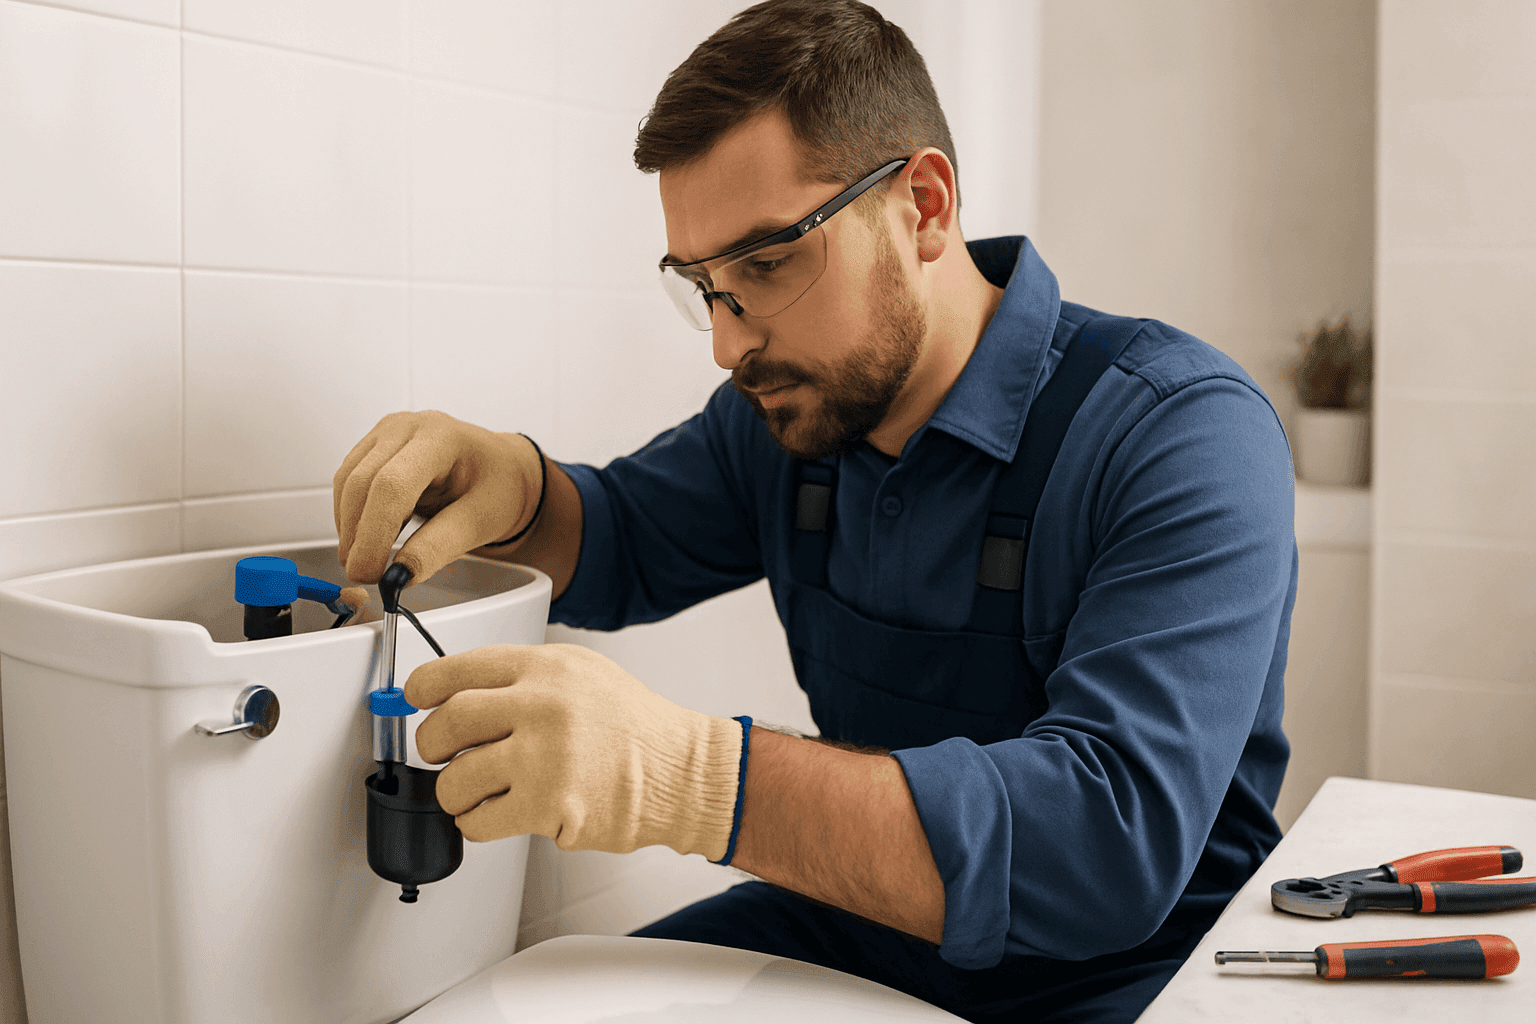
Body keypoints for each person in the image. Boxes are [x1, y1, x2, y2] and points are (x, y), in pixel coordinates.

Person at [331, 2, 1297, 1021]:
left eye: (767, 263)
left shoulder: (1179, 435)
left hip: (1135, 972)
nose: (725, 343)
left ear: (924, 206)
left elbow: (1107, 841)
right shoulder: (791, 415)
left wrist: (694, 779)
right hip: (864, 923)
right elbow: (621, 537)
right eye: (703, 286)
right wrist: (519, 487)